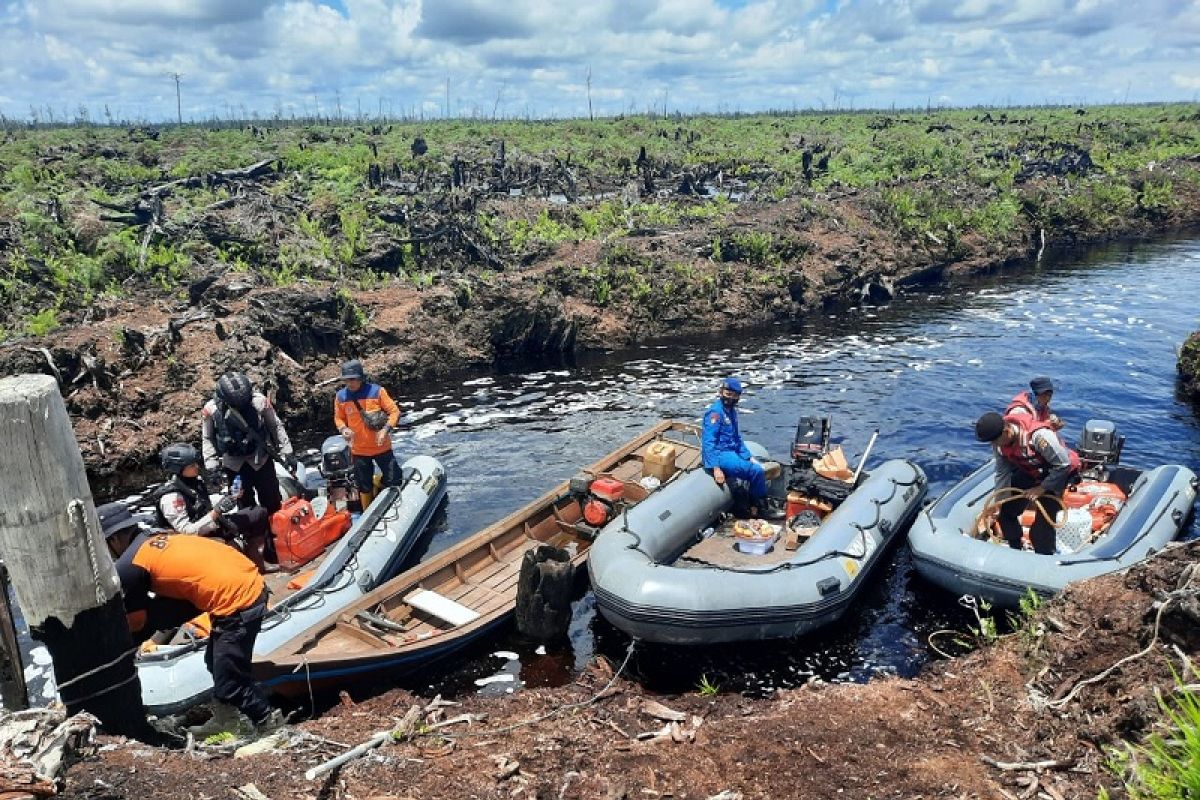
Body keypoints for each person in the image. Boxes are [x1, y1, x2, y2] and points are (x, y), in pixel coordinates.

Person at [97, 501, 284, 737]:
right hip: (245, 583)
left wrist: (122, 651)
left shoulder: (130, 566)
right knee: (214, 661)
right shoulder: (157, 537)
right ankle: (226, 719)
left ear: (113, 540)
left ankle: (271, 725)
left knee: (231, 683)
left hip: (237, 601)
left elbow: (137, 622)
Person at [153, 442, 274, 573]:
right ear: (178, 469)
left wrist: (230, 498)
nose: (197, 467)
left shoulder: (195, 482)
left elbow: (204, 506)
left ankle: (256, 559)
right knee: (229, 548)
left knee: (259, 513)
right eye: (192, 465)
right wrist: (217, 511)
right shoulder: (171, 498)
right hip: (193, 543)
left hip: (212, 526)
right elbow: (187, 533)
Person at [974, 410, 1081, 555]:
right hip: (1030, 471)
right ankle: (1015, 549)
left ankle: (1044, 559)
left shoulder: (1039, 437)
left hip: (1055, 473)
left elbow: (1063, 465)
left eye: (995, 440)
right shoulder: (998, 444)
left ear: (1007, 431)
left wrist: (1041, 488)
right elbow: (1002, 472)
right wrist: (998, 502)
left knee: (1042, 530)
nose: (994, 444)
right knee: (1006, 513)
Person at [201, 372, 296, 515]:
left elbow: (275, 426)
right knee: (244, 505)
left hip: (261, 459)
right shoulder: (211, 410)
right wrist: (212, 466)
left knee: (272, 500)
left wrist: (287, 452)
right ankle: (255, 534)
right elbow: (208, 437)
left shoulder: (259, 401)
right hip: (233, 464)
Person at [701, 376, 782, 519]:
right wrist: (715, 467)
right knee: (756, 471)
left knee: (757, 465)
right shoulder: (715, 413)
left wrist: (748, 456)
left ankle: (752, 503)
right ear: (721, 392)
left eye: (734, 395)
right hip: (721, 454)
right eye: (728, 394)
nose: (730, 398)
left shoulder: (731, 411)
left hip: (732, 451)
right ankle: (762, 508)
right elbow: (708, 441)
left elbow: (736, 437)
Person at [333, 359, 403, 508]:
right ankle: (367, 512)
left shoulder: (377, 391)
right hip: (359, 450)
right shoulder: (340, 397)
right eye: (346, 380)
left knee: (394, 478)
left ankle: (383, 490)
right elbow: (338, 418)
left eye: (352, 379)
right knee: (364, 486)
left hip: (381, 447)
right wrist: (343, 429)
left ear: (360, 378)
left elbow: (394, 412)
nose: (349, 383)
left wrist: (385, 430)